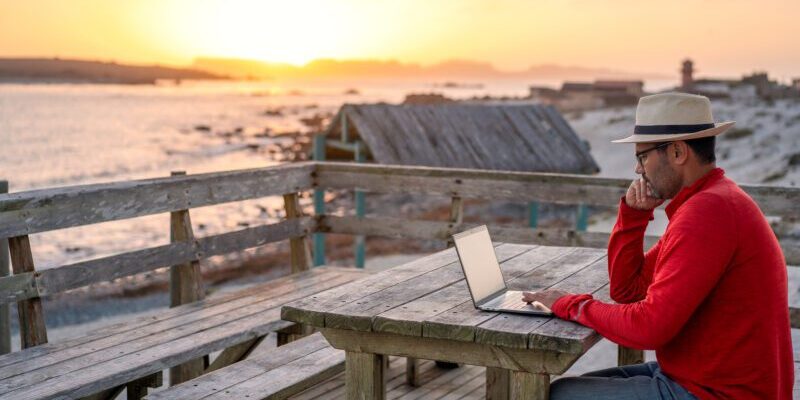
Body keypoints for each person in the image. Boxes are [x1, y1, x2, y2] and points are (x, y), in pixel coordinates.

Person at [522, 93, 793, 399]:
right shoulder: (713, 200)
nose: (638, 170)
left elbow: (650, 328)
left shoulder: (707, 213)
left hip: (717, 392)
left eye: (642, 157)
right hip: (697, 377)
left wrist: (570, 304)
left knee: (559, 396)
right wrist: (634, 216)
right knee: (562, 389)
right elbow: (627, 291)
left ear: (677, 151)